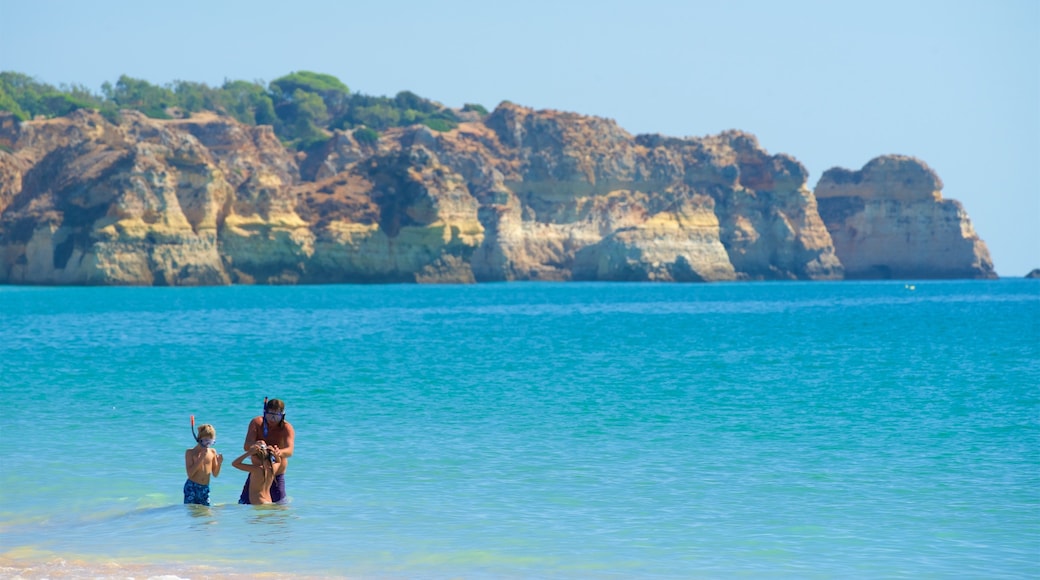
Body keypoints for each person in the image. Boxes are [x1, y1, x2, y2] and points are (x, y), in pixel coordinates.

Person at [238, 398, 295, 504]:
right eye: (270, 415)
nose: (272, 419)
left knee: (280, 508)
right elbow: (246, 446)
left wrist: (278, 452)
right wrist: (256, 446)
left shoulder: (286, 428)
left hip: (276, 473)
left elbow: (290, 451)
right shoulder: (256, 423)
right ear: (265, 412)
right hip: (257, 473)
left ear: (282, 415)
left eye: (276, 416)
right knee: (245, 505)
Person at [184, 423, 223, 506]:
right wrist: (200, 458)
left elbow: (215, 474)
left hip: (205, 488)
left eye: (210, 441)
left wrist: (219, 463)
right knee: (192, 511)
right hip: (192, 487)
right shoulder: (190, 452)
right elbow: (190, 474)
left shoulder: (212, 452)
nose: (207, 444)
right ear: (199, 439)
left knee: (205, 512)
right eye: (205, 441)